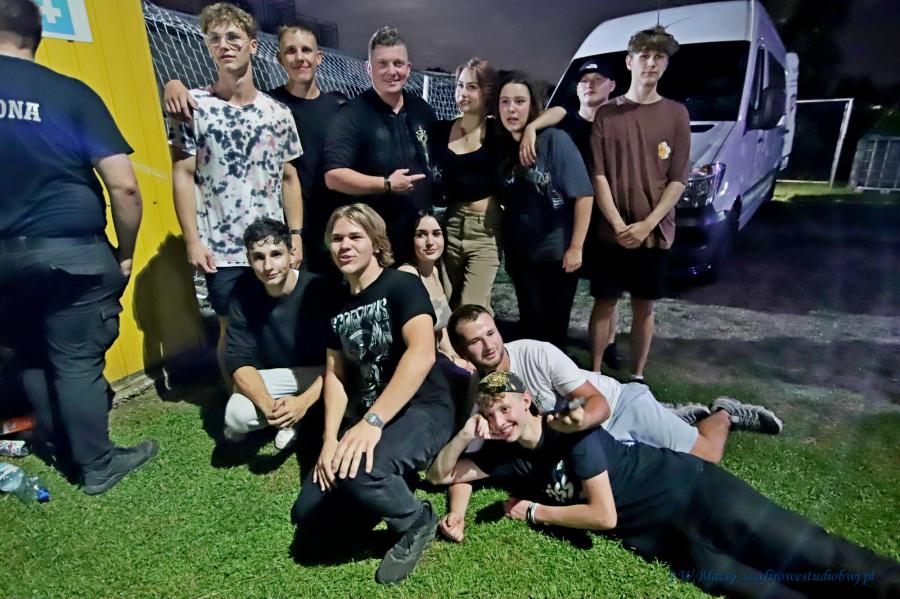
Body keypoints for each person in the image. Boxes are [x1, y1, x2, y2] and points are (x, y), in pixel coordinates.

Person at [427, 372, 900, 598]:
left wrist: (534, 511)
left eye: (505, 407)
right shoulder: (505, 458)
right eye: (488, 413)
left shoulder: (568, 430)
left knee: (814, 553)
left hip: (695, 491)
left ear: (527, 400)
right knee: (767, 593)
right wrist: (466, 435)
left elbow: (603, 516)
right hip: (666, 538)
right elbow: (441, 475)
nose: (499, 420)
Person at [438, 304, 781, 541]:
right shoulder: (480, 397)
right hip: (590, 442)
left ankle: (722, 413)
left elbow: (597, 402)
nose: (489, 345)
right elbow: (467, 465)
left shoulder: (536, 353)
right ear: (463, 353)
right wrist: (458, 513)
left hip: (617, 406)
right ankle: (674, 417)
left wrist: (577, 425)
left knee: (707, 454)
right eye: (476, 341)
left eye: (491, 332)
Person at [0, 0, 156, 494]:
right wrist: (125, 251)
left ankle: (57, 442)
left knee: (30, 354)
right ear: (37, 36)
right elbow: (124, 186)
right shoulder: (68, 93)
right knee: (76, 360)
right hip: (71, 253)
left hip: (5, 258)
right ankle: (97, 464)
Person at [291, 204, 454, 584]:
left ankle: (416, 519)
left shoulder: (402, 285)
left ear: (377, 242)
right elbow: (335, 374)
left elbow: (422, 353)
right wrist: (330, 441)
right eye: (337, 238)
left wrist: (372, 422)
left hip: (422, 408)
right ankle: (385, 481)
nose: (344, 245)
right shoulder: (335, 301)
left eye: (355, 237)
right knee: (307, 515)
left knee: (363, 472)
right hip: (369, 415)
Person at [169, 3, 303, 350]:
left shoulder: (278, 113)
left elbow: (289, 178)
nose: (223, 45)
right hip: (222, 249)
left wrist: (296, 235)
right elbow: (183, 174)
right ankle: (234, 388)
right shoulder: (194, 107)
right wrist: (192, 240)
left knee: (277, 330)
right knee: (231, 336)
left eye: (232, 37)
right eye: (214, 39)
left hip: (271, 247)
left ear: (252, 45)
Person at [165, 24, 346, 278]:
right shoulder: (270, 106)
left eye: (306, 50)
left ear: (319, 57)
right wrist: (173, 84)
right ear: (279, 58)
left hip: (329, 223)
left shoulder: (339, 106)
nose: (299, 57)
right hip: (283, 232)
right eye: (290, 51)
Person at [590, 26, 691, 384]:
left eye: (658, 57)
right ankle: (595, 373)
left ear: (666, 64)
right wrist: (618, 225)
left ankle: (637, 376)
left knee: (644, 306)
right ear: (629, 61)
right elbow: (599, 175)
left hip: (654, 233)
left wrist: (648, 224)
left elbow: (677, 179)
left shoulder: (676, 114)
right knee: (605, 301)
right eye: (644, 56)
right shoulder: (607, 114)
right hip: (611, 233)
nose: (651, 63)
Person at [322, 27, 438, 265]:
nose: (391, 71)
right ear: (369, 68)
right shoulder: (352, 114)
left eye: (398, 63)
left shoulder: (422, 109)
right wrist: (386, 184)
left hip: (421, 238)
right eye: (382, 64)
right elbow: (333, 176)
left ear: (408, 68)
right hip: (378, 243)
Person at [495, 72, 593, 347]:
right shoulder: (500, 144)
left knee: (553, 330)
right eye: (505, 102)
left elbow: (584, 195)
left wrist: (576, 248)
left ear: (532, 106)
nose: (511, 109)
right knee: (530, 325)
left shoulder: (554, 141)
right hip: (521, 256)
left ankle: (556, 374)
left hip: (555, 254)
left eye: (519, 101)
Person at [221, 218, 335, 450]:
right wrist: (271, 409)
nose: (268, 266)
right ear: (249, 261)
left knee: (348, 395)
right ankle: (290, 420)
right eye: (259, 257)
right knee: (236, 415)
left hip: (323, 373)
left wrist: (304, 401)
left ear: (292, 255)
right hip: (279, 376)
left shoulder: (320, 290)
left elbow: (342, 362)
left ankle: (305, 416)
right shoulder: (244, 295)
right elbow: (238, 360)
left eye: (276, 254)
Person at [554, 60, 624, 371]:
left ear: (612, 85)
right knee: (564, 288)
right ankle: (557, 341)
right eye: (584, 79)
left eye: (598, 78)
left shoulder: (618, 127)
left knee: (608, 292)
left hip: (607, 221)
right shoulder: (563, 125)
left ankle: (609, 344)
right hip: (569, 223)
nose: (590, 84)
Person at [397, 210, 471, 371]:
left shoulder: (434, 271)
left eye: (436, 234)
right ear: (410, 239)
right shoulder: (408, 275)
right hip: (418, 362)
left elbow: (441, 325)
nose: (430, 242)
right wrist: (454, 362)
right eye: (421, 235)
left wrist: (454, 356)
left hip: (438, 357)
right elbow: (415, 343)